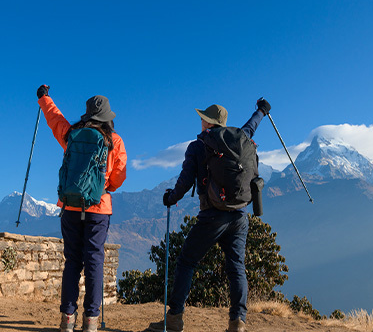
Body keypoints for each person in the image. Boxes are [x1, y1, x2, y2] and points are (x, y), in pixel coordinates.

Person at [147, 98, 271, 332]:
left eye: (203, 118)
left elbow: (185, 181)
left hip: (212, 215)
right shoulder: (240, 138)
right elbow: (252, 125)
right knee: (236, 267)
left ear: (208, 122)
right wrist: (262, 110)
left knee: (186, 262)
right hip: (239, 215)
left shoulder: (198, 146)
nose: (200, 120)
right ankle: (237, 323)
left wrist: (170, 198)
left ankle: (174, 319)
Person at [37, 85, 127, 332]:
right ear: (107, 118)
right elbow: (118, 179)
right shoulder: (114, 141)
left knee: (72, 262)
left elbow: (55, 120)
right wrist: (103, 185)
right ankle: (90, 321)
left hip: (70, 206)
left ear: (87, 115)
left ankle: (67, 318)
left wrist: (44, 98)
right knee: (94, 261)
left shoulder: (71, 134)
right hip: (98, 208)